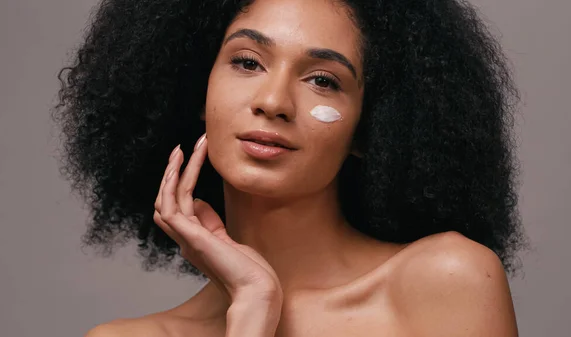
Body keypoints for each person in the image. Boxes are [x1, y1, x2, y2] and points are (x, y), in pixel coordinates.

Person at [53, 0, 528, 335]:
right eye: (247, 62)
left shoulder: (447, 282)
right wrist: (253, 307)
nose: (274, 102)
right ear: (198, 89)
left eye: (323, 80)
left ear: (368, 130)